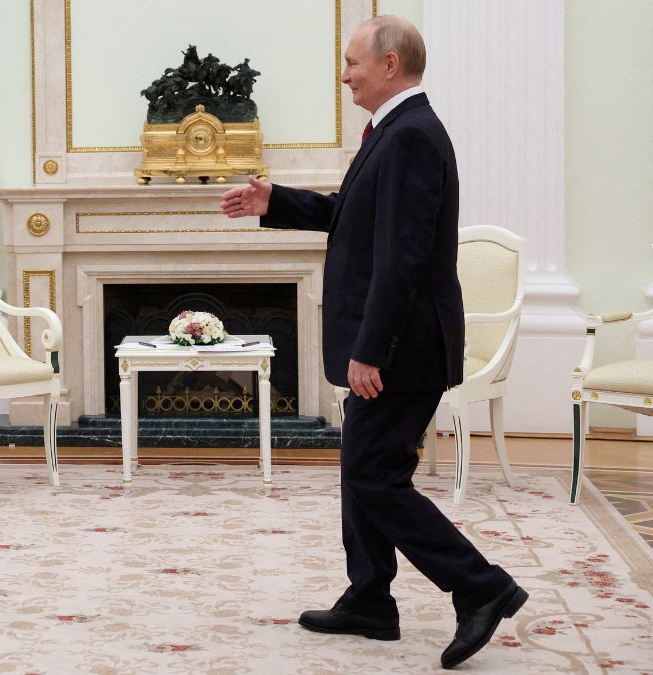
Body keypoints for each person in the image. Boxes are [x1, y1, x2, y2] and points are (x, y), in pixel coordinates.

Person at [221, 16, 526, 669]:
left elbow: (403, 259)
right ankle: (369, 597)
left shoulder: (411, 135)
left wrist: (372, 348)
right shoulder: (395, 132)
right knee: (363, 465)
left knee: (372, 472)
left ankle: (481, 585)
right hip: (397, 340)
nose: (344, 74)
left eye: (352, 61)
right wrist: (276, 200)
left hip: (403, 346)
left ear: (390, 63)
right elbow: (351, 216)